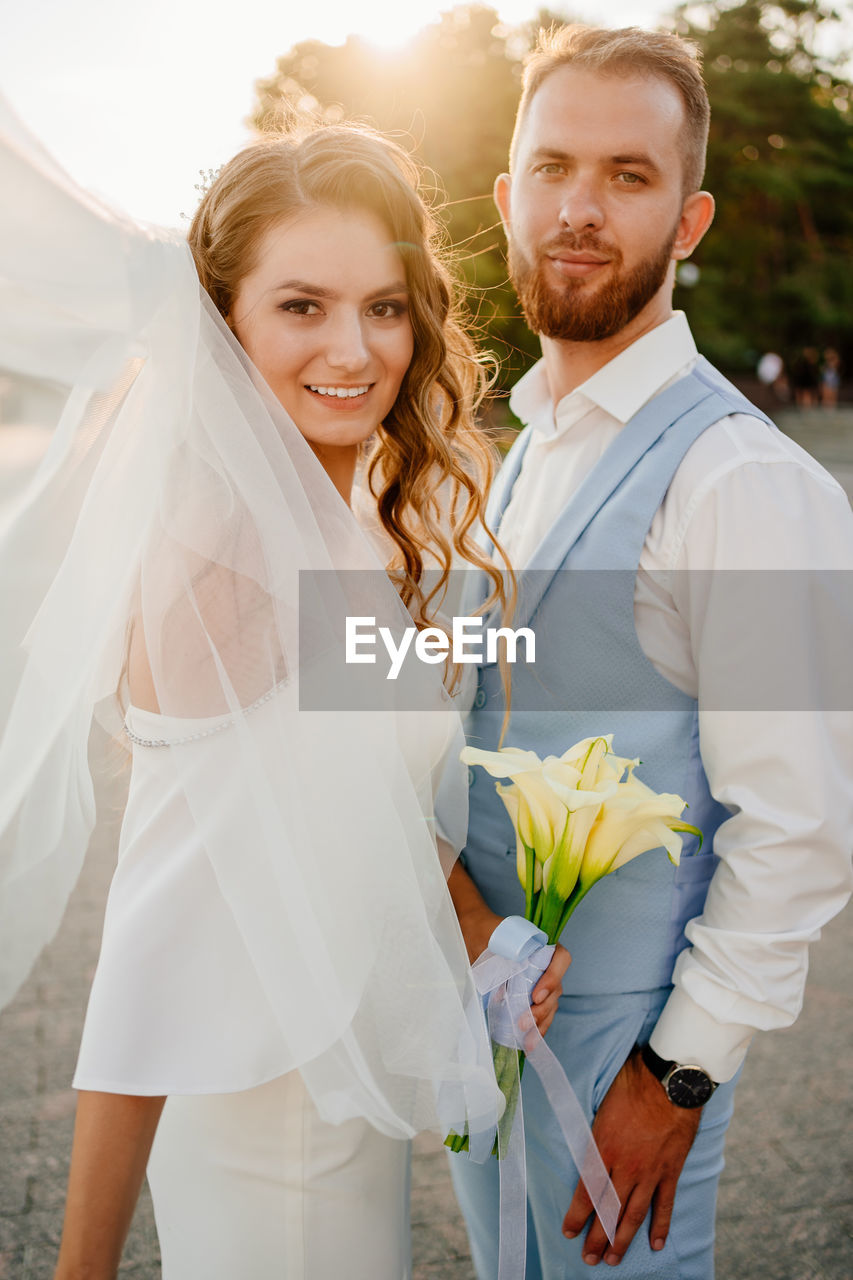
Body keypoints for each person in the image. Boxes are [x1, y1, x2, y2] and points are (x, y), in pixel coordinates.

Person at [0, 102, 543, 1279]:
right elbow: (149, 947)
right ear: (224, 321)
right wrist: (80, 1266)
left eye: (383, 307)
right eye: (302, 305)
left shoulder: (327, 523)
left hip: (331, 1113)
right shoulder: (224, 561)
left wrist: (475, 924)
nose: (354, 351)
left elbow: (353, 778)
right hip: (271, 1136)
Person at [444, 24, 853, 1280]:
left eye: (628, 176)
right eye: (554, 168)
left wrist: (675, 1076)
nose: (580, 207)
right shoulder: (515, 456)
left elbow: (799, 826)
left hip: (624, 1086)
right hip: (490, 1056)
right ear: (509, 198)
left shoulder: (744, 482)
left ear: (689, 221)